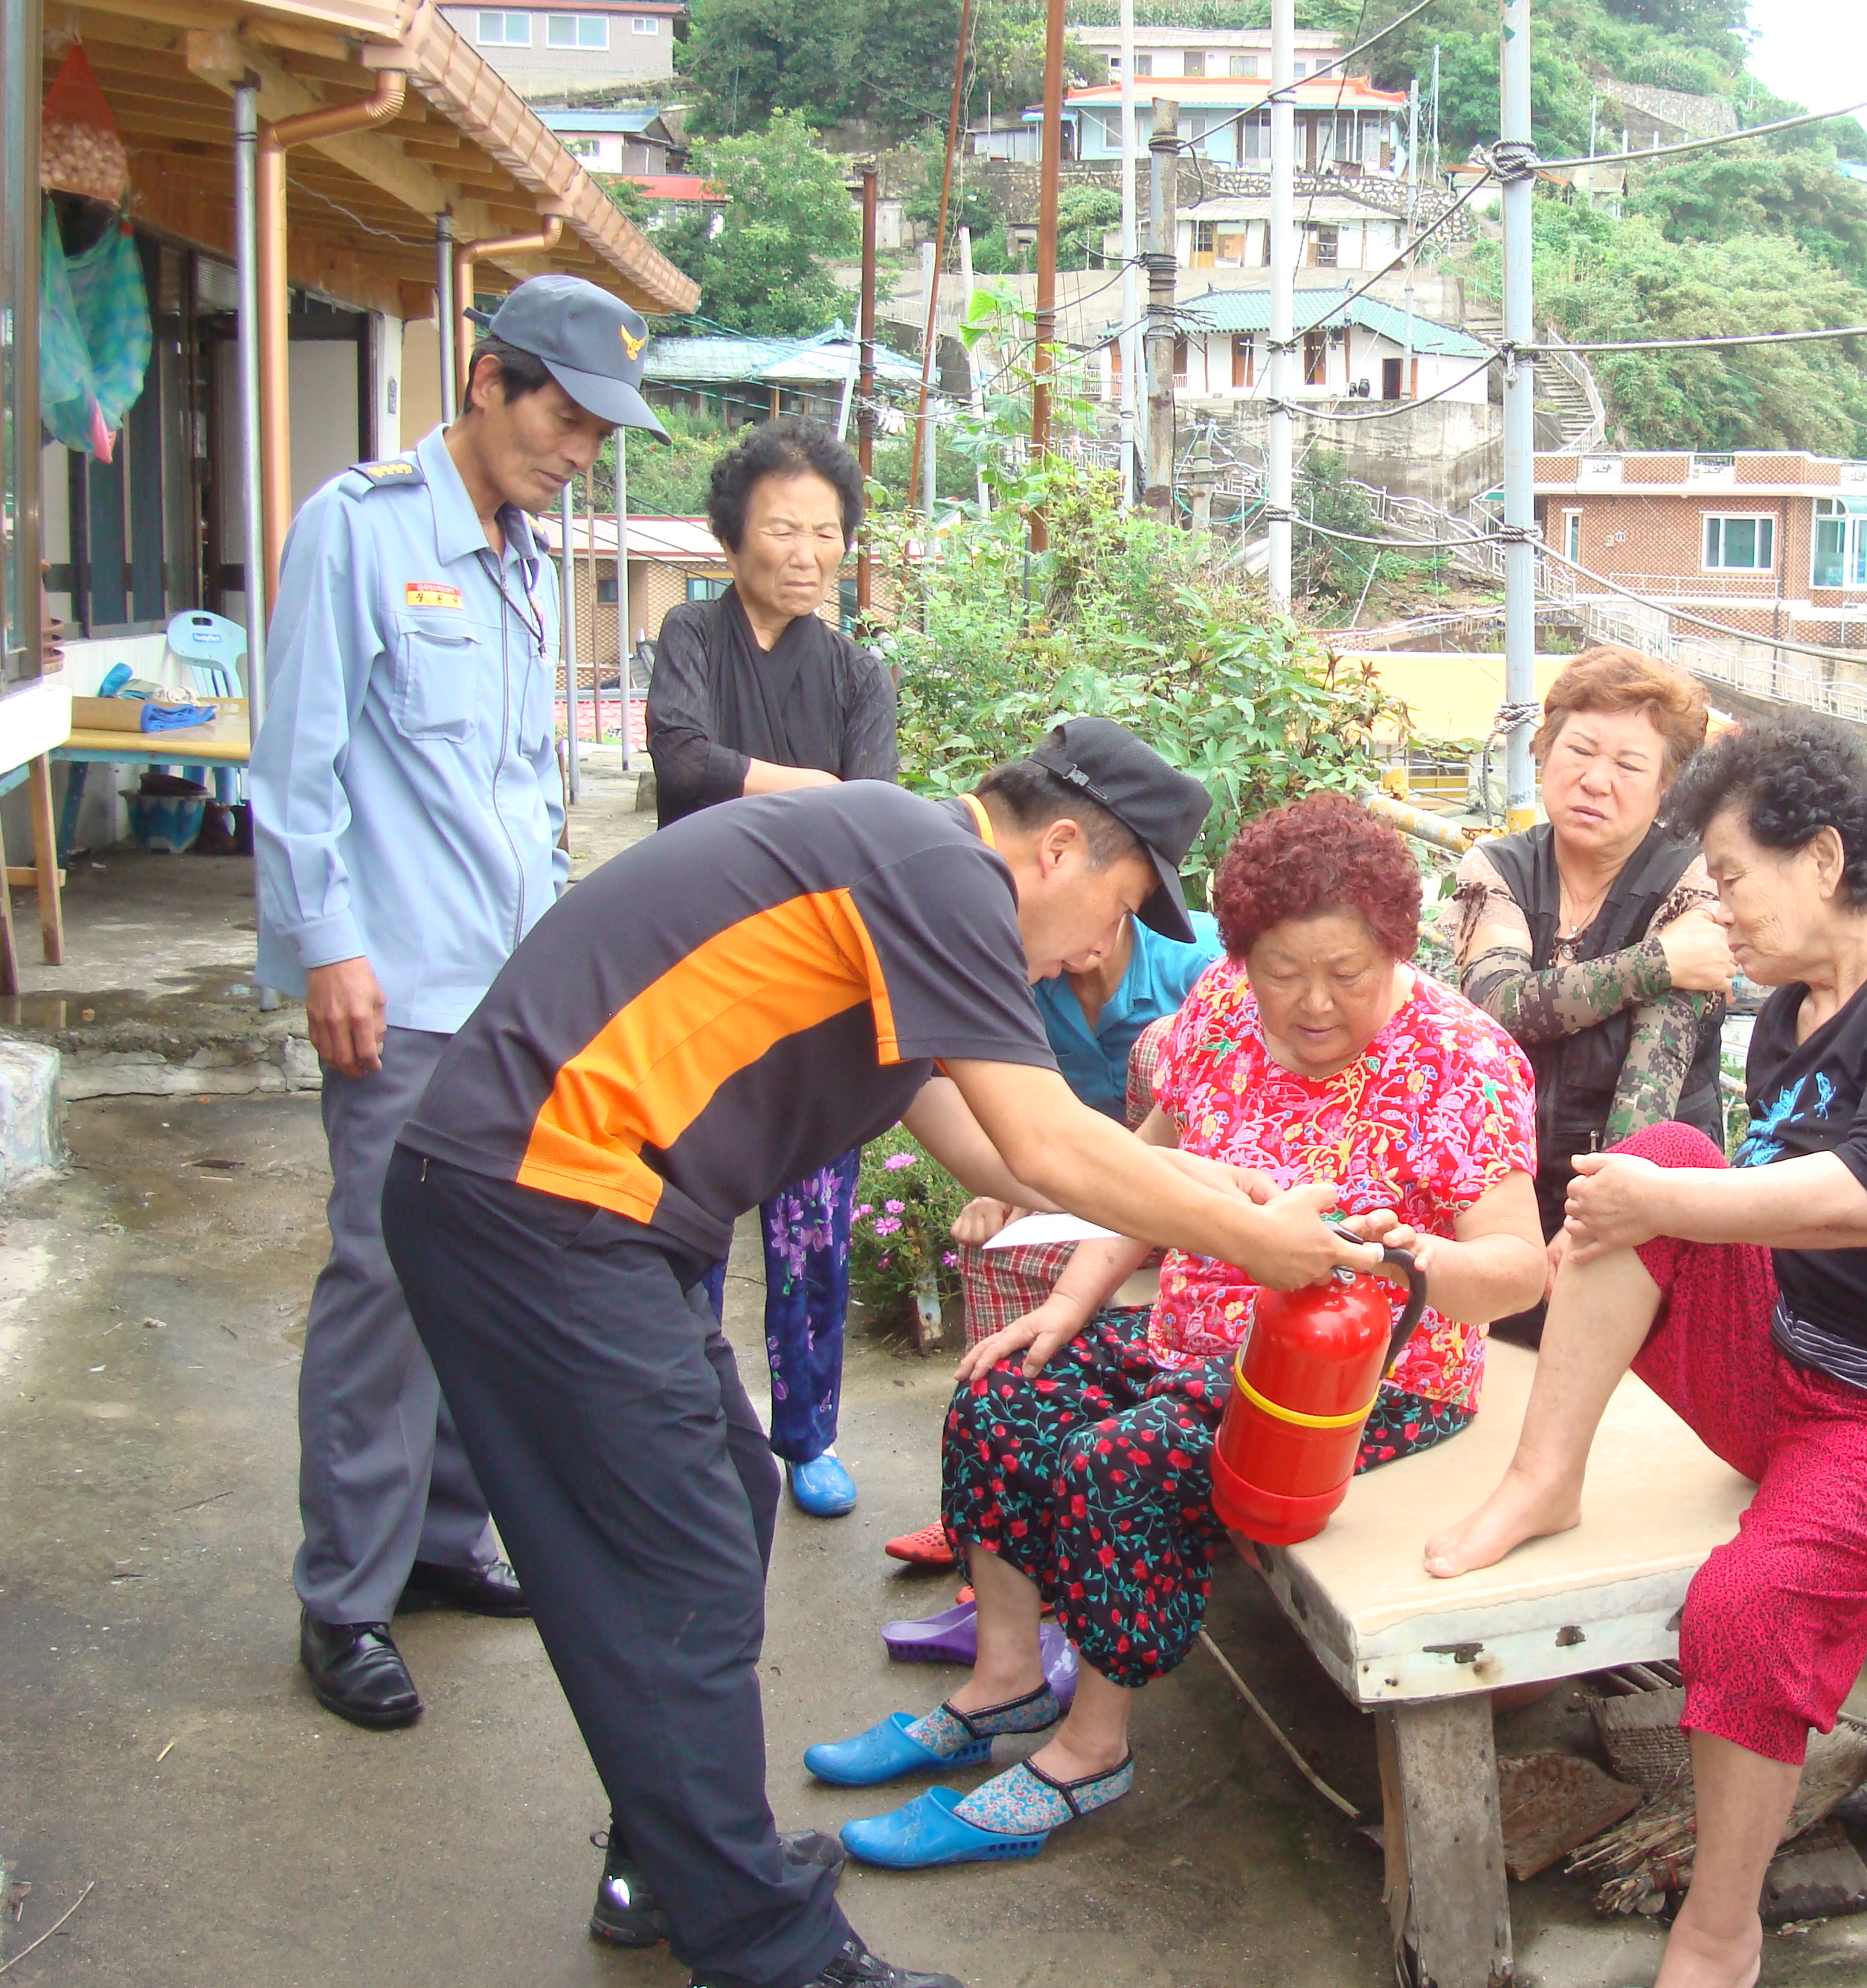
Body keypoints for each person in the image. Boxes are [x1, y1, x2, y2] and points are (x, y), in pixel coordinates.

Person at [378, 719, 1382, 1988]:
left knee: (724, 1500)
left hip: (570, 1214)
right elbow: (1044, 1143)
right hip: (541, 1208)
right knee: (676, 1556)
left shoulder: (897, 882)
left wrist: (1236, 1190)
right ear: (1055, 850)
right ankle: (766, 1950)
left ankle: (677, 1864)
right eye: (1117, 909)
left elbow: (997, 1147)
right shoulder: (939, 870)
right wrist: (1255, 1244)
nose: (1097, 950)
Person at [1424, 718, 1867, 1988]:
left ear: (1822, 857)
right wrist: (1657, 1197)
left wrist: (1662, 1204)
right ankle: (1545, 1478)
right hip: (1795, 1365)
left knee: (1746, 1606)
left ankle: (1720, 1927)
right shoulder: (1786, 1018)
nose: (1715, 906)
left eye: (1729, 874)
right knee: (1660, 1157)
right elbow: (1727, 1201)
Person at [810, 793, 1546, 1868]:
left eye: (1346, 971)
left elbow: (1519, 1270)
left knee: (1124, 1458)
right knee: (1002, 1392)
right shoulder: (1221, 1009)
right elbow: (1139, 1174)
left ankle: (1091, 1749)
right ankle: (1004, 1680)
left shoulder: (1459, 1059)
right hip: (1193, 1343)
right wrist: (1067, 1306)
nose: (1312, 1002)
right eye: (1281, 970)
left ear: (1397, 946)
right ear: (1240, 957)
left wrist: (1414, 1259)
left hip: (1370, 1380)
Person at [251, 272, 666, 1732]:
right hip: (397, 984)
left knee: (482, 1274)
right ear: (489, 381)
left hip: (506, 994)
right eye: (565, 417)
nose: (578, 451)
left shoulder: (523, 561)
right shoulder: (359, 529)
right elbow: (296, 765)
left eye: (598, 434)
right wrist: (325, 946)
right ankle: (344, 1599)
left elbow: (523, 784)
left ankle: (438, 1540)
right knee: (381, 1282)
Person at [646, 417, 898, 1521]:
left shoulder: (857, 673)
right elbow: (680, 761)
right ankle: (695, 1428)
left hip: (813, 983)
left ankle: (808, 1437)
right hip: (695, 966)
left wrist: (812, 800)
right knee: (688, 1214)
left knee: (812, 1229)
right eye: (784, 529)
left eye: (826, 532)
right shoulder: (690, 634)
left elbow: (874, 818)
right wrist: (816, 792)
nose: (807, 553)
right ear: (732, 534)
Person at [881, 905, 1224, 1576]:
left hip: (1198, 1197)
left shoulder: (1198, 964)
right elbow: (1014, 1114)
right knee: (995, 1245)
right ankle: (993, 1504)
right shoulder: (1032, 979)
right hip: (1096, 1193)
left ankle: (1064, 1515)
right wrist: (1007, 1183)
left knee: (1158, 1043)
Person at [1436, 644, 1732, 1339]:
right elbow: (1499, 1006)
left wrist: (1591, 1222)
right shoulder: (1499, 866)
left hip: (1640, 1203)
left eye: (1629, 765)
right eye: (1579, 751)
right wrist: (1657, 960)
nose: (1596, 781)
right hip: (1506, 1196)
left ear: (1666, 786)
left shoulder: (1694, 880)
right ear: (1545, 753)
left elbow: (1652, 1080)